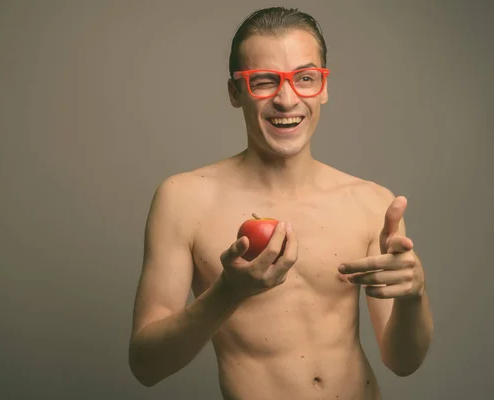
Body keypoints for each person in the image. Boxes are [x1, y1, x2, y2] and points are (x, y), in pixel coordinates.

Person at [128, 6, 434, 400]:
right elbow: (146, 366)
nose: (287, 99)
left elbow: (402, 362)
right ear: (235, 92)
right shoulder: (184, 199)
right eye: (264, 81)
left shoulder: (372, 202)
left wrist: (413, 296)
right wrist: (228, 292)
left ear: (323, 87)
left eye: (305, 78)